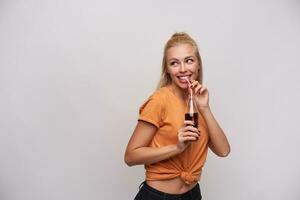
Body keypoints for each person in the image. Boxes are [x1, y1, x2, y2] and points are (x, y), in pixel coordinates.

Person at [124, 32, 230, 200]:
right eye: (174, 63)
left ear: (198, 65)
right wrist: (177, 148)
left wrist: (205, 108)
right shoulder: (159, 101)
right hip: (157, 196)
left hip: (192, 195)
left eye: (189, 60)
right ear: (167, 68)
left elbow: (223, 151)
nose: (183, 69)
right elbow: (130, 156)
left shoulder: (198, 101)